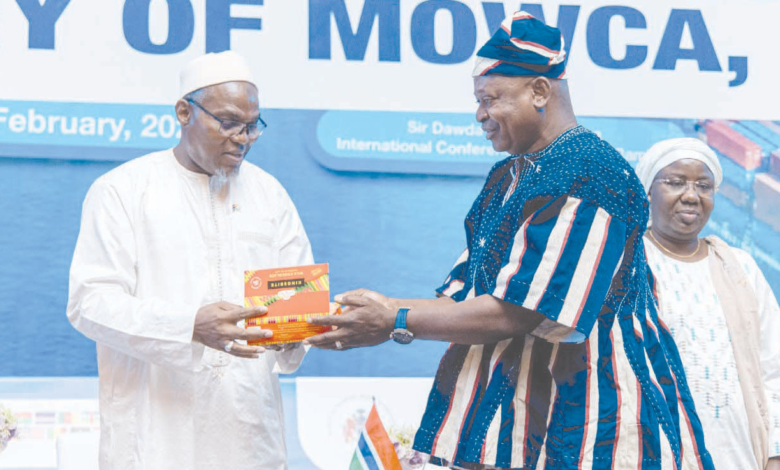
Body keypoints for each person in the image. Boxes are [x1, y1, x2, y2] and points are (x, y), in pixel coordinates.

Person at [305, 12, 714, 470]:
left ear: (540, 91)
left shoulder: (591, 173)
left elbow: (521, 310)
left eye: (490, 99)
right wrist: (357, 313)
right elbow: (471, 299)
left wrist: (393, 319)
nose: (480, 114)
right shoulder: (509, 176)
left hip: (598, 426)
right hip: (514, 427)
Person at [67, 51, 312, 470]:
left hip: (249, 436)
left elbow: (295, 302)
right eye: (230, 122)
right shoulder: (123, 190)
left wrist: (297, 330)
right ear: (184, 112)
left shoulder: (270, 196)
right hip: (156, 437)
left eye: (253, 127)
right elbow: (89, 303)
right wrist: (189, 327)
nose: (243, 137)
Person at [636, 137, 780, 470]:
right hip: (653, 453)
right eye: (674, 183)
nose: (691, 195)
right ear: (648, 190)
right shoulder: (626, 262)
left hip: (740, 453)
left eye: (704, 185)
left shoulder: (740, 267)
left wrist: (774, 454)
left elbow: (774, 368)